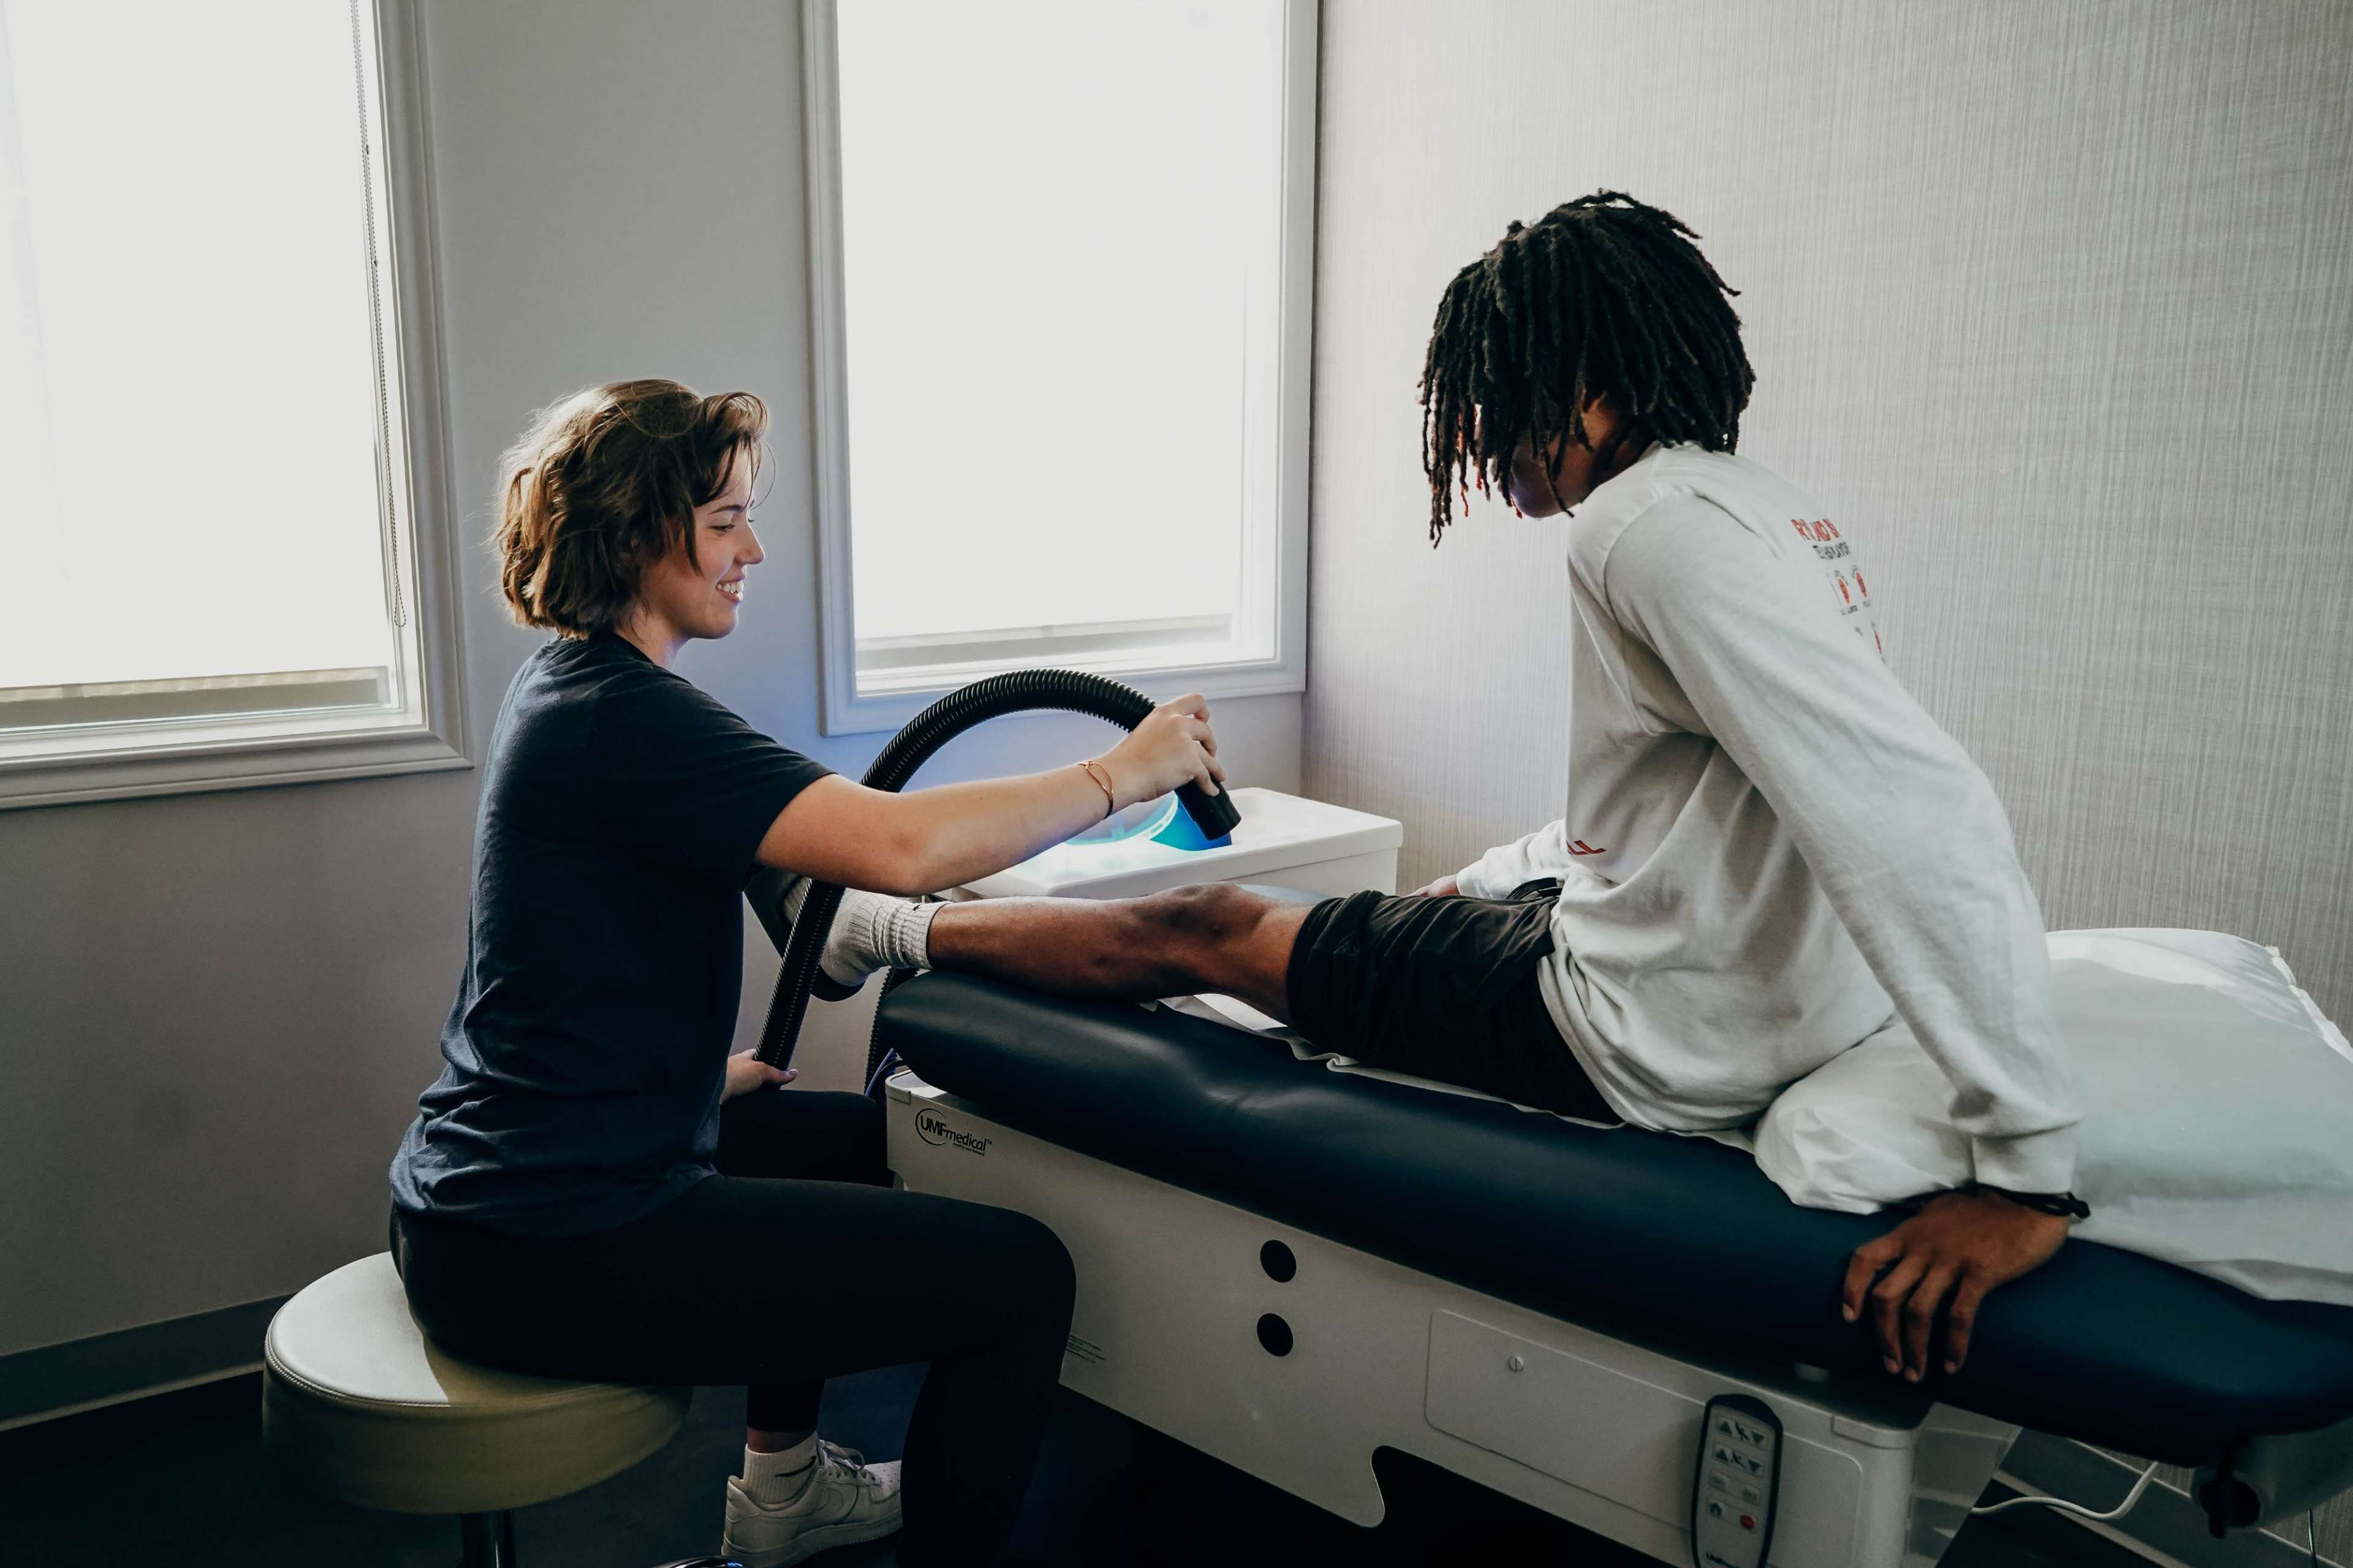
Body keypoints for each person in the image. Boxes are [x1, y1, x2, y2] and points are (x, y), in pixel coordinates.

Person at [791, 193, 2088, 1392]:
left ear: (1581, 387)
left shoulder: (1639, 525)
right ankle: (964, 912)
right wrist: (1481, 883)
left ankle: (883, 929)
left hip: (1637, 1033)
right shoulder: (1765, 511)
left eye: (1488, 395)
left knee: (1212, 926)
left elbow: (1918, 808)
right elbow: (1694, 808)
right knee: (1378, 904)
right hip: (1734, 995)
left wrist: (2029, 1168)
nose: (1471, 441)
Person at [386, 380, 1224, 1568]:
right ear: (638, 530)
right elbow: (902, 842)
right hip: (552, 1240)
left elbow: (610, 948)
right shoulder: (627, 716)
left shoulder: (574, 688)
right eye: (724, 520)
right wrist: (1121, 770)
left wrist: (677, 1082)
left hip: (489, 1197)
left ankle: (782, 1494)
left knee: (838, 1137)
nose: (752, 548)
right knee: (1023, 1280)